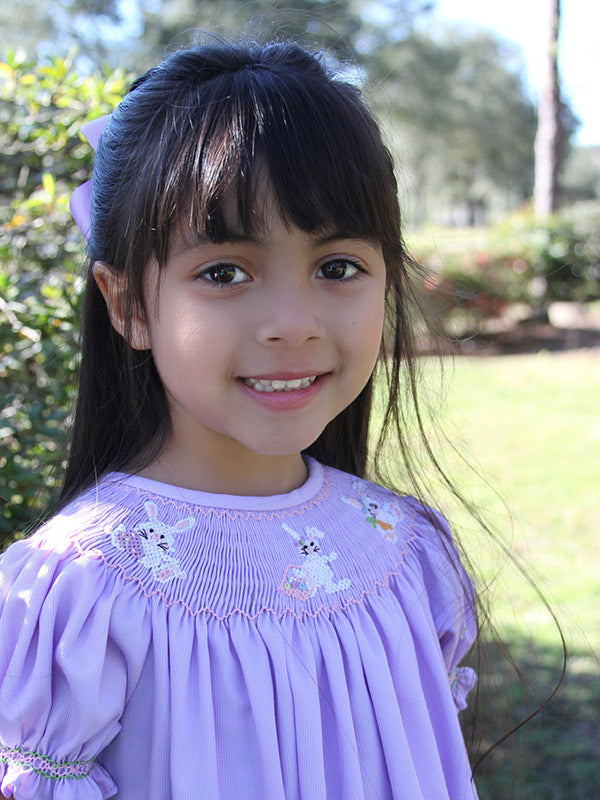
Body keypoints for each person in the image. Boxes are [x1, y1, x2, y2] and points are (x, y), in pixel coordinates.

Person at [0, 40, 478, 799]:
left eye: (338, 267)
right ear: (128, 304)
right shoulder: (81, 595)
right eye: (223, 272)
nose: (293, 323)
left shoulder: (409, 554)